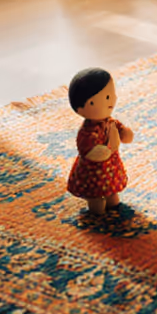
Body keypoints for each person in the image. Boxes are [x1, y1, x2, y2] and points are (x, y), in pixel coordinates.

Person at [67, 67, 134, 214]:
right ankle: (97, 207)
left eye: (112, 95)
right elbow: (86, 149)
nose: (112, 101)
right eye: (107, 98)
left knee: (112, 189)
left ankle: (112, 199)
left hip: (111, 164)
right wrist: (99, 152)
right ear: (87, 105)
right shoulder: (87, 131)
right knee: (96, 196)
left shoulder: (111, 122)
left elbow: (123, 133)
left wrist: (125, 134)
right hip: (94, 171)